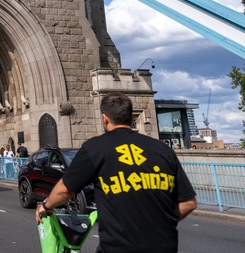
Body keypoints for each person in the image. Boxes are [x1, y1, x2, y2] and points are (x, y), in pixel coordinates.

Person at [36, 93, 196, 253]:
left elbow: (65, 189)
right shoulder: (164, 150)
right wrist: (163, 222)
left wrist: (46, 206)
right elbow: (188, 203)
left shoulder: (96, 148)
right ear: (131, 117)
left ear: (105, 118)